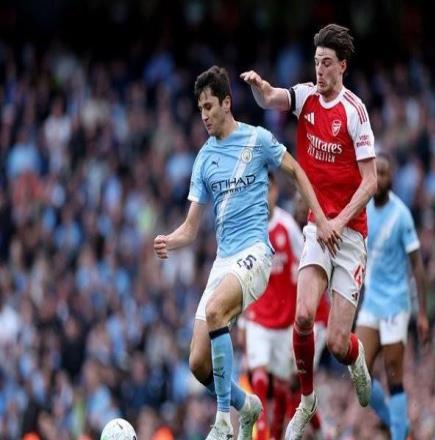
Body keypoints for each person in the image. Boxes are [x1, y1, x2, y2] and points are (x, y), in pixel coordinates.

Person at [153, 66, 338, 440]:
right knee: (197, 363)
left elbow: (296, 171)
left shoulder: (257, 140)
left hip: (255, 253)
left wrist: (319, 215)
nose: (204, 115)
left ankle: (223, 420)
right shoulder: (204, 158)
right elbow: (191, 227)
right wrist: (169, 240)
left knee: (215, 311)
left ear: (226, 103)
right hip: (224, 262)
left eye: (209, 106)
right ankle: (246, 404)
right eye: (200, 109)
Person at [241, 24, 377, 439]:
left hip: (349, 233)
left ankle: (355, 355)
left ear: (342, 66)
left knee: (336, 343)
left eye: (327, 63)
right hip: (319, 227)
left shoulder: (354, 112)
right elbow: (271, 98)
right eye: (316, 62)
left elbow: (370, 182)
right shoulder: (306, 97)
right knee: (302, 317)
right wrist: (260, 88)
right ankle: (307, 400)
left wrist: (340, 220)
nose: (319, 70)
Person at [354, 154, 429, 440]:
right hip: (372, 301)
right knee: (358, 368)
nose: (380, 178)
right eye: (377, 172)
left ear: (391, 178)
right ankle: (398, 424)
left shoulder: (401, 215)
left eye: (384, 173)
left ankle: (398, 434)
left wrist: (422, 314)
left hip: (396, 303)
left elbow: (417, 265)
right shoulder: (363, 209)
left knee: (393, 372)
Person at [241, 172, 303, 440]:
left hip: (285, 322)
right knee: (259, 376)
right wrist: (242, 322)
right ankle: (262, 432)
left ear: (275, 191)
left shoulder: (287, 227)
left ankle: (276, 434)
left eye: (267, 189)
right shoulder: (248, 231)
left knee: (282, 387)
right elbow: (242, 279)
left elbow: (306, 265)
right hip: (257, 318)